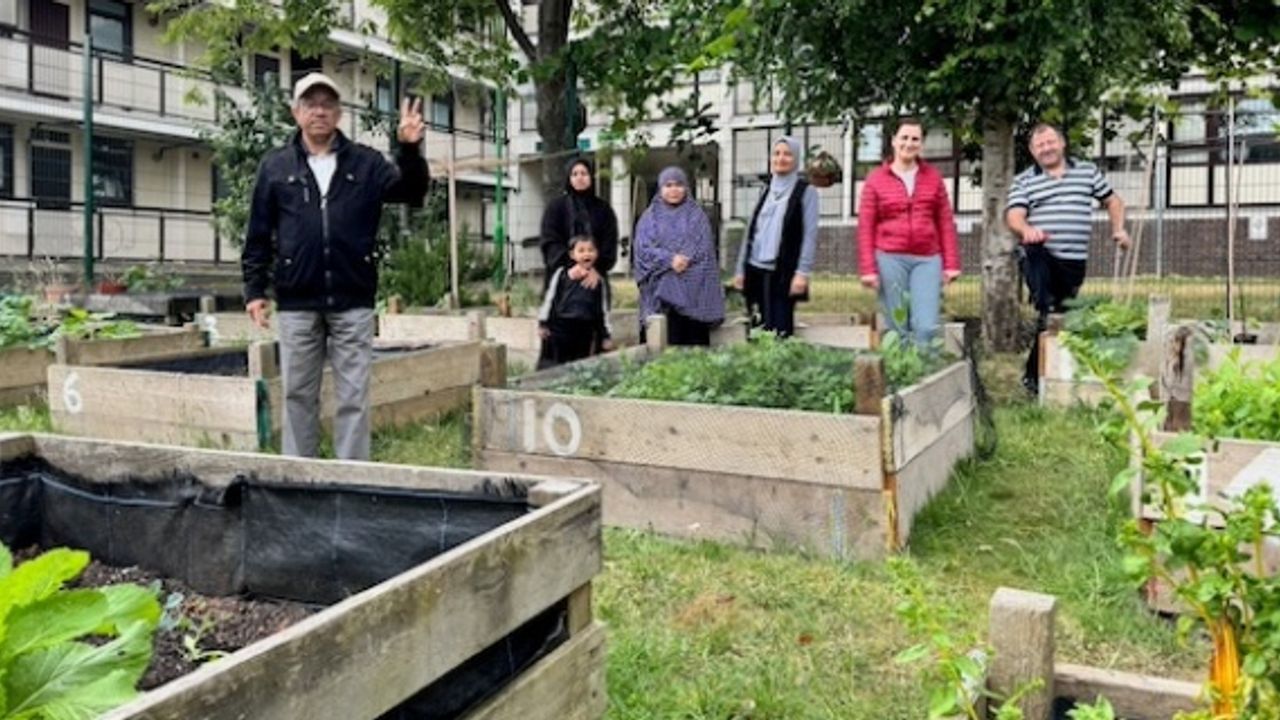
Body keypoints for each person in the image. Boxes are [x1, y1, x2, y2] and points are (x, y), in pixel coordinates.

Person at [241, 73, 429, 460]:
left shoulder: (366, 163)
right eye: (311, 104)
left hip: (352, 298)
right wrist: (255, 290)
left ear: (340, 113)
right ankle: (300, 476)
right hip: (297, 300)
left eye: (328, 104)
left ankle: (350, 478)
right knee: (297, 394)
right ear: (296, 113)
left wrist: (410, 150)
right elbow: (258, 231)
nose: (320, 111)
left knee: (354, 396)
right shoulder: (275, 167)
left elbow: (412, 192)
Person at [1006, 123, 1131, 395]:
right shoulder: (1024, 180)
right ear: (1032, 151)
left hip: (1073, 262)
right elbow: (1014, 215)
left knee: (1055, 318)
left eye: (1050, 142)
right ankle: (1043, 300)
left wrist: (1119, 229)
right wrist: (1027, 230)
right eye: (1039, 146)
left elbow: (1113, 201)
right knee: (1034, 255)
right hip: (1041, 253)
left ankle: (1033, 378)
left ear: (1062, 144)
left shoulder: (1086, 172)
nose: (1046, 149)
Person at [857, 118, 961, 347]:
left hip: (927, 259)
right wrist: (868, 269)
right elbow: (865, 226)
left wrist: (951, 263)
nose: (909, 143)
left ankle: (927, 376)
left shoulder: (933, 178)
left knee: (926, 327)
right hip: (889, 258)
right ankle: (903, 377)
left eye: (915, 139)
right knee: (897, 328)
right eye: (904, 137)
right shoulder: (876, 180)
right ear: (894, 141)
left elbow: (945, 221)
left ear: (921, 144)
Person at [733, 136, 818, 336]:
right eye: (776, 153)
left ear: (796, 159)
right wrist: (740, 270)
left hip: (784, 273)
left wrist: (802, 272)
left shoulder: (806, 192)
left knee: (780, 331)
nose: (781, 158)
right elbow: (751, 231)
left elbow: (810, 235)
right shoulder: (765, 190)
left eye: (787, 154)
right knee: (756, 328)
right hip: (755, 270)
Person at [633, 166, 725, 346]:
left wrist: (684, 261)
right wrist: (669, 260)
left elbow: (703, 250)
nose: (674, 190)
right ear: (660, 188)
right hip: (659, 298)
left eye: (679, 185)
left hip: (695, 297)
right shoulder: (649, 218)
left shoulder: (697, 216)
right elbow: (643, 251)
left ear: (686, 187)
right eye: (668, 185)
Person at [539, 157, 619, 291]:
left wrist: (596, 268)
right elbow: (550, 241)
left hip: (594, 278)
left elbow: (609, 244)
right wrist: (570, 265)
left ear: (591, 176)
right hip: (562, 277)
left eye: (584, 173)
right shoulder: (556, 207)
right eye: (575, 174)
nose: (579, 178)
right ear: (568, 178)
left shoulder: (603, 209)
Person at [537, 235, 614, 368]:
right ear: (572, 254)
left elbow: (602, 309)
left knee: (580, 365)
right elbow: (550, 298)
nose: (587, 253)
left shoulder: (598, 281)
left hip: (584, 330)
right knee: (555, 366)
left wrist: (606, 335)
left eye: (591, 250)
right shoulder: (562, 275)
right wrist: (543, 323)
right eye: (581, 250)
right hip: (560, 328)